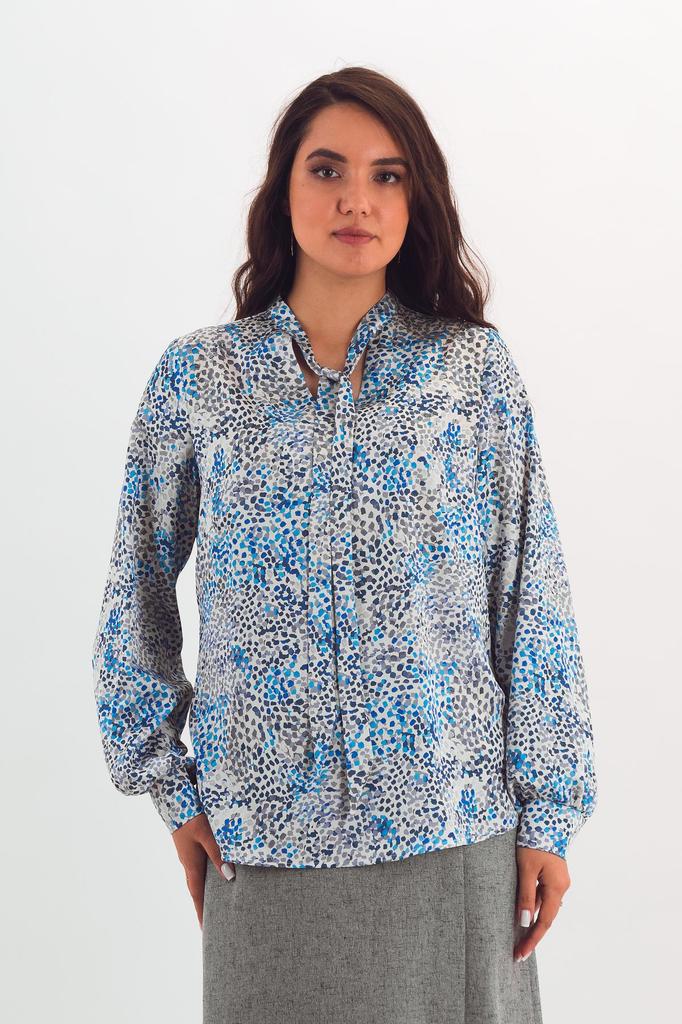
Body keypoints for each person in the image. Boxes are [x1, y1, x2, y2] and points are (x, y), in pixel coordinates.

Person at [91, 65, 598, 1024]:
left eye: (387, 175)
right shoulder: (200, 379)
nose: (356, 200)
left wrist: (550, 812)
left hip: (452, 835)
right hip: (261, 846)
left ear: (417, 199)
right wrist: (170, 787)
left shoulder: (471, 372)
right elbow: (136, 592)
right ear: (283, 191)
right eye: (327, 170)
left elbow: (532, 596)